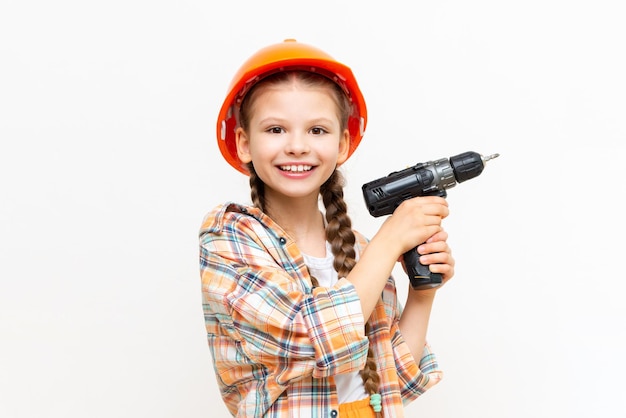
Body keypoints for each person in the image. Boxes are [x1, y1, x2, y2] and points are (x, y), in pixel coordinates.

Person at [199, 39, 455, 417]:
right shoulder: (229, 237)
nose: (298, 146)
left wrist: (423, 293)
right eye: (275, 130)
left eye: (317, 130)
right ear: (244, 143)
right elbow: (306, 335)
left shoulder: (362, 252)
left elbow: (393, 382)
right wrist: (391, 240)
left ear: (343, 144)